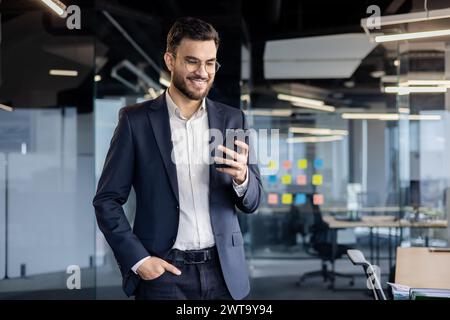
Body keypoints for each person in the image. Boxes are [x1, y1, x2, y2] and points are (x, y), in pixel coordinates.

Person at [93, 16, 262, 300]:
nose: (203, 72)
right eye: (192, 61)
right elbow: (107, 200)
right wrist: (140, 261)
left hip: (224, 272)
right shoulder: (136, 121)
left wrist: (243, 178)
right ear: (170, 60)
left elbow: (253, 201)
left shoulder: (233, 119)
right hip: (164, 273)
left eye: (210, 63)